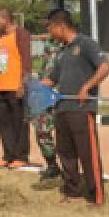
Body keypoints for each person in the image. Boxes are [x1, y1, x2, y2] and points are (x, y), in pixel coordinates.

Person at [41, 9, 109, 206]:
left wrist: (87, 87)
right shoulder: (62, 52)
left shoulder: (85, 43)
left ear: (61, 26)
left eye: (51, 28)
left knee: (87, 153)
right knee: (66, 152)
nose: (50, 34)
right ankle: (72, 191)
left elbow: (105, 67)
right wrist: (32, 85)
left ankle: (95, 195)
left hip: (81, 108)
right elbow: (51, 79)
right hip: (62, 108)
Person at [0, 8, 32, 168]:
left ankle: (21, 156)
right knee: (4, 123)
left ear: (5, 19)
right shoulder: (0, 38)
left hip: (16, 86)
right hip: (2, 87)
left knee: (19, 122)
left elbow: (26, 60)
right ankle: (8, 155)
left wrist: (23, 83)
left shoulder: (21, 34)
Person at [30, 36, 63, 180]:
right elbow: (46, 70)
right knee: (41, 130)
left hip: (63, 95)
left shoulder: (72, 44)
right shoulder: (49, 42)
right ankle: (52, 165)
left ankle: (71, 170)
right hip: (45, 95)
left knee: (66, 134)